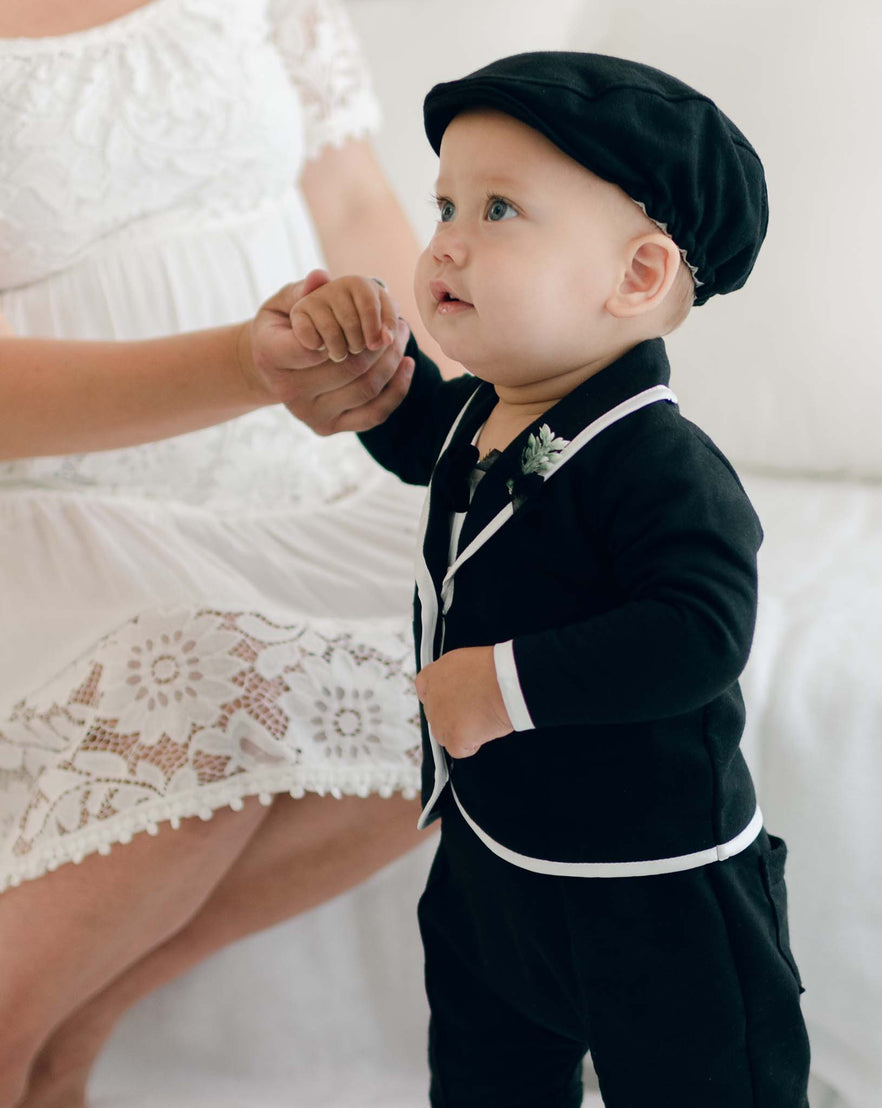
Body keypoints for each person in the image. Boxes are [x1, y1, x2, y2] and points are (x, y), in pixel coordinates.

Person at [290, 51, 810, 1108]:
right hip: (496, 861)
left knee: (707, 1084)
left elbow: (699, 629)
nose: (445, 239)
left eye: (499, 210)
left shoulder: (660, 461)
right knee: (486, 1076)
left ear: (636, 276)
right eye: (444, 204)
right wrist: (370, 378)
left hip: (654, 887)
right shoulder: (491, 408)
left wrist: (503, 687)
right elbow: (433, 449)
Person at [0, 2, 452, 1105]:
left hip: (317, 478)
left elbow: (349, 199)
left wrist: (470, 423)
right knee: (217, 679)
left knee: (547, 623)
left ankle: (72, 1032)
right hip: (57, 501)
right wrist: (248, 368)